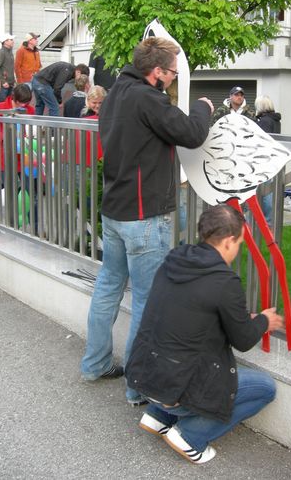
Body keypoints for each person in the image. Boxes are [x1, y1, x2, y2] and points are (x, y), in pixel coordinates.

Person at [80, 37, 214, 407]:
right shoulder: (148, 98)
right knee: (145, 299)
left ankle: (95, 364)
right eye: (171, 73)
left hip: (114, 210)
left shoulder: (116, 94)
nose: (172, 79)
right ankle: (138, 386)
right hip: (143, 217)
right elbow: (190, 132)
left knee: (108, 286)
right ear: (156, 72)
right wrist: (203, 107)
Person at [125, 204, 284, 464]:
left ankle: (158, 416)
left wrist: (245, 320)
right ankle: (191, 436)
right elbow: (243, 340)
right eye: (240, 242)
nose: (239, 248)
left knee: (177, 351)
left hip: (145, 376)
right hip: (176, 388)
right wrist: (264, 321)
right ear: (230, 241)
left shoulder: (175, 259)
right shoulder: (224, 281)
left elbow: (195, 315)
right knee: (265, 388)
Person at [254, 95, 282, 227]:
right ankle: (268, 220)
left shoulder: (264, 121)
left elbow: (260, 142)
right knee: (268, 190)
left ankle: (266, 221)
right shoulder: (276, 121)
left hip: (264, 160)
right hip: (273, 158)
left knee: (264, 191)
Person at [0, 34, 16, 103]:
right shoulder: (1, 52)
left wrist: (14, 80)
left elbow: (10, 68)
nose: (13, 41)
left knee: (8, 104)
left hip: (10, 83)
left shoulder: (10, 52)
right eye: (11, 40)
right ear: (5, 42)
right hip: (4, 85)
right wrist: (3, 82)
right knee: (1, 105)